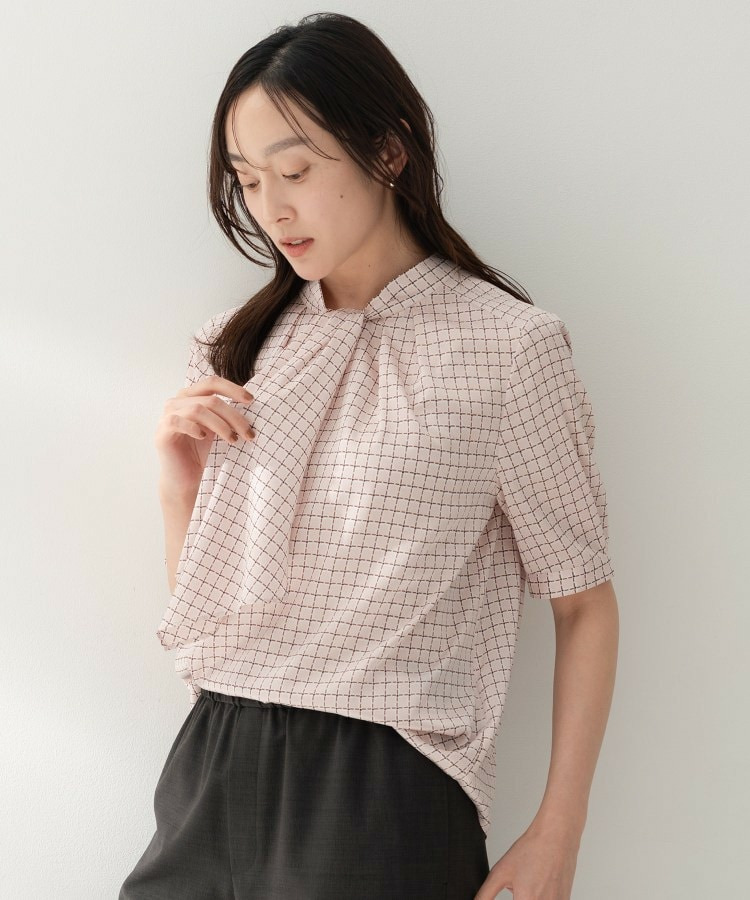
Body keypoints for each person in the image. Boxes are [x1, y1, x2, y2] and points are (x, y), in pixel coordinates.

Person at [119, 11, 618, 900]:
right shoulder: (238, 346)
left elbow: (584, 603)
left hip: (381, 784)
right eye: (247, 180)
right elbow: (208, 622)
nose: (272, 209)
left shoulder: (510, 348)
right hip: (211, 760)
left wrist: (560, 830)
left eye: (296, 171)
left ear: (387, 153)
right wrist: (178, 482)